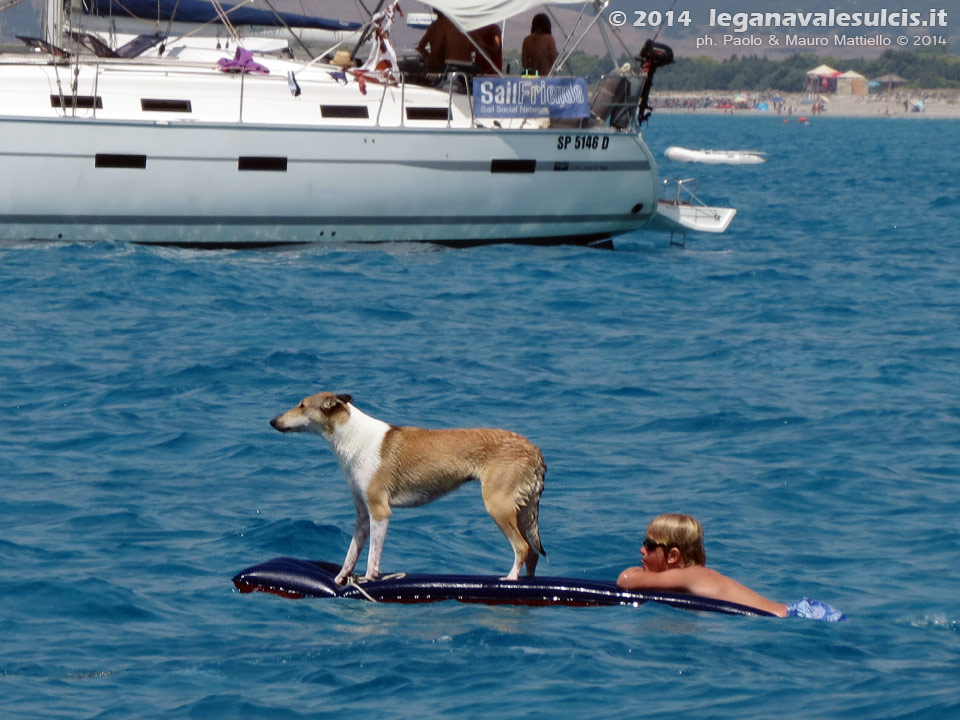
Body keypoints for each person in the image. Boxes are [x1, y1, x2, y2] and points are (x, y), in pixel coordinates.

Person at [617, 513, 845, 621]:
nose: (641, 550)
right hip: (802, 611)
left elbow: (626, 580)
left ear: (674, 555)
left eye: (649, 545)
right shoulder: (697, 576)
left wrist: (636, 574)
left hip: (795, 618)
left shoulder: (690, 575)